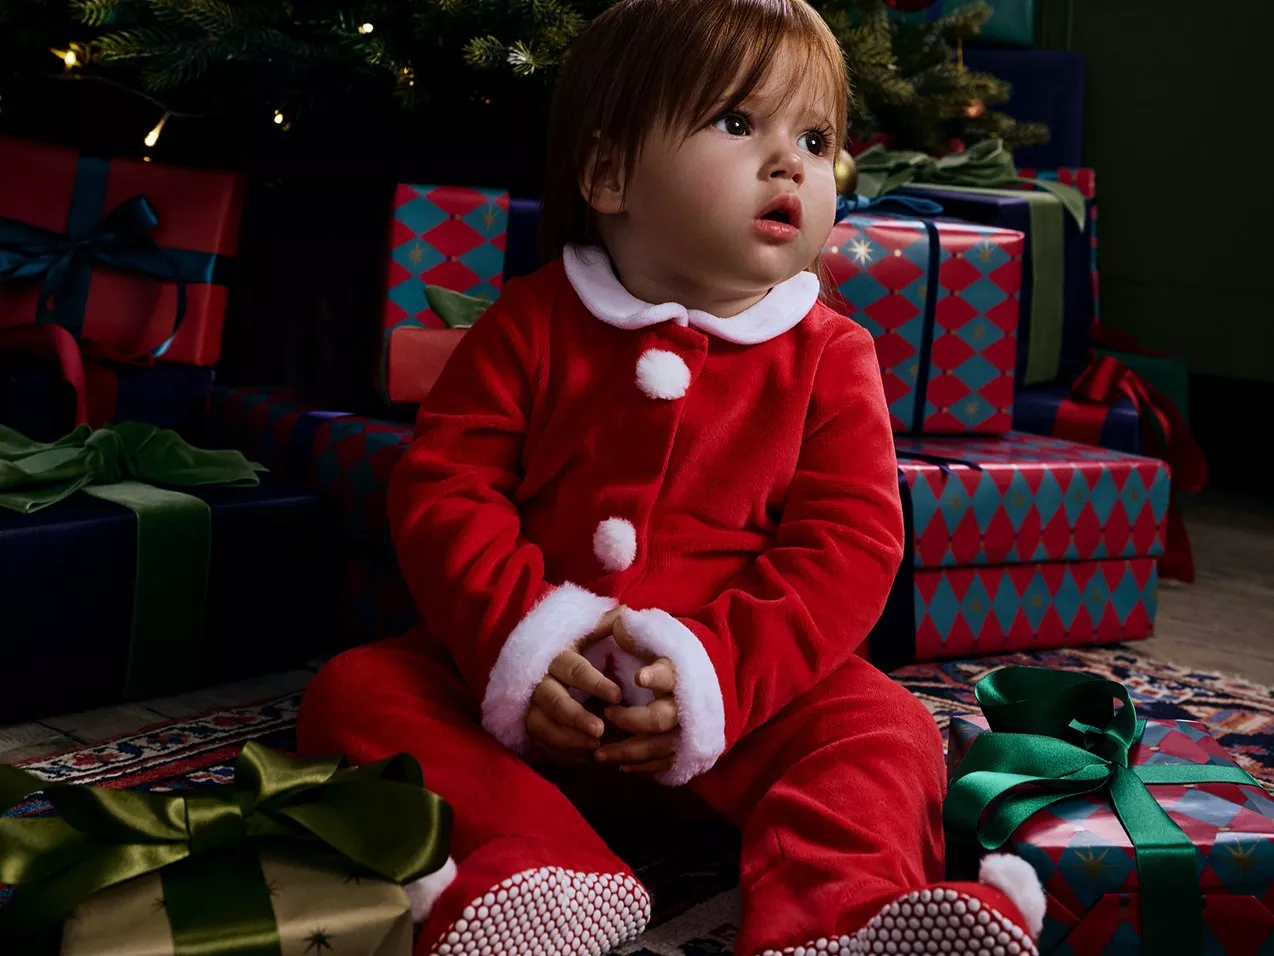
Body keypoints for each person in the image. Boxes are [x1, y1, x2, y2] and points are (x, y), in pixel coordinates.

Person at [298, 0, 1046, 953]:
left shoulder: (829, 354)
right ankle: (541, 874)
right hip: (530, 712)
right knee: (357, 693)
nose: (792, 164)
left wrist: (718, 678)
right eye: (739, 124)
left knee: (885, 731)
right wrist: (520, 649)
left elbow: (849, 544)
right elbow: (448, 490)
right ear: (611, 172)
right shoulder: (532, 322)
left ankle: (844, 917)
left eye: (816, 139)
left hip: (742, 711)